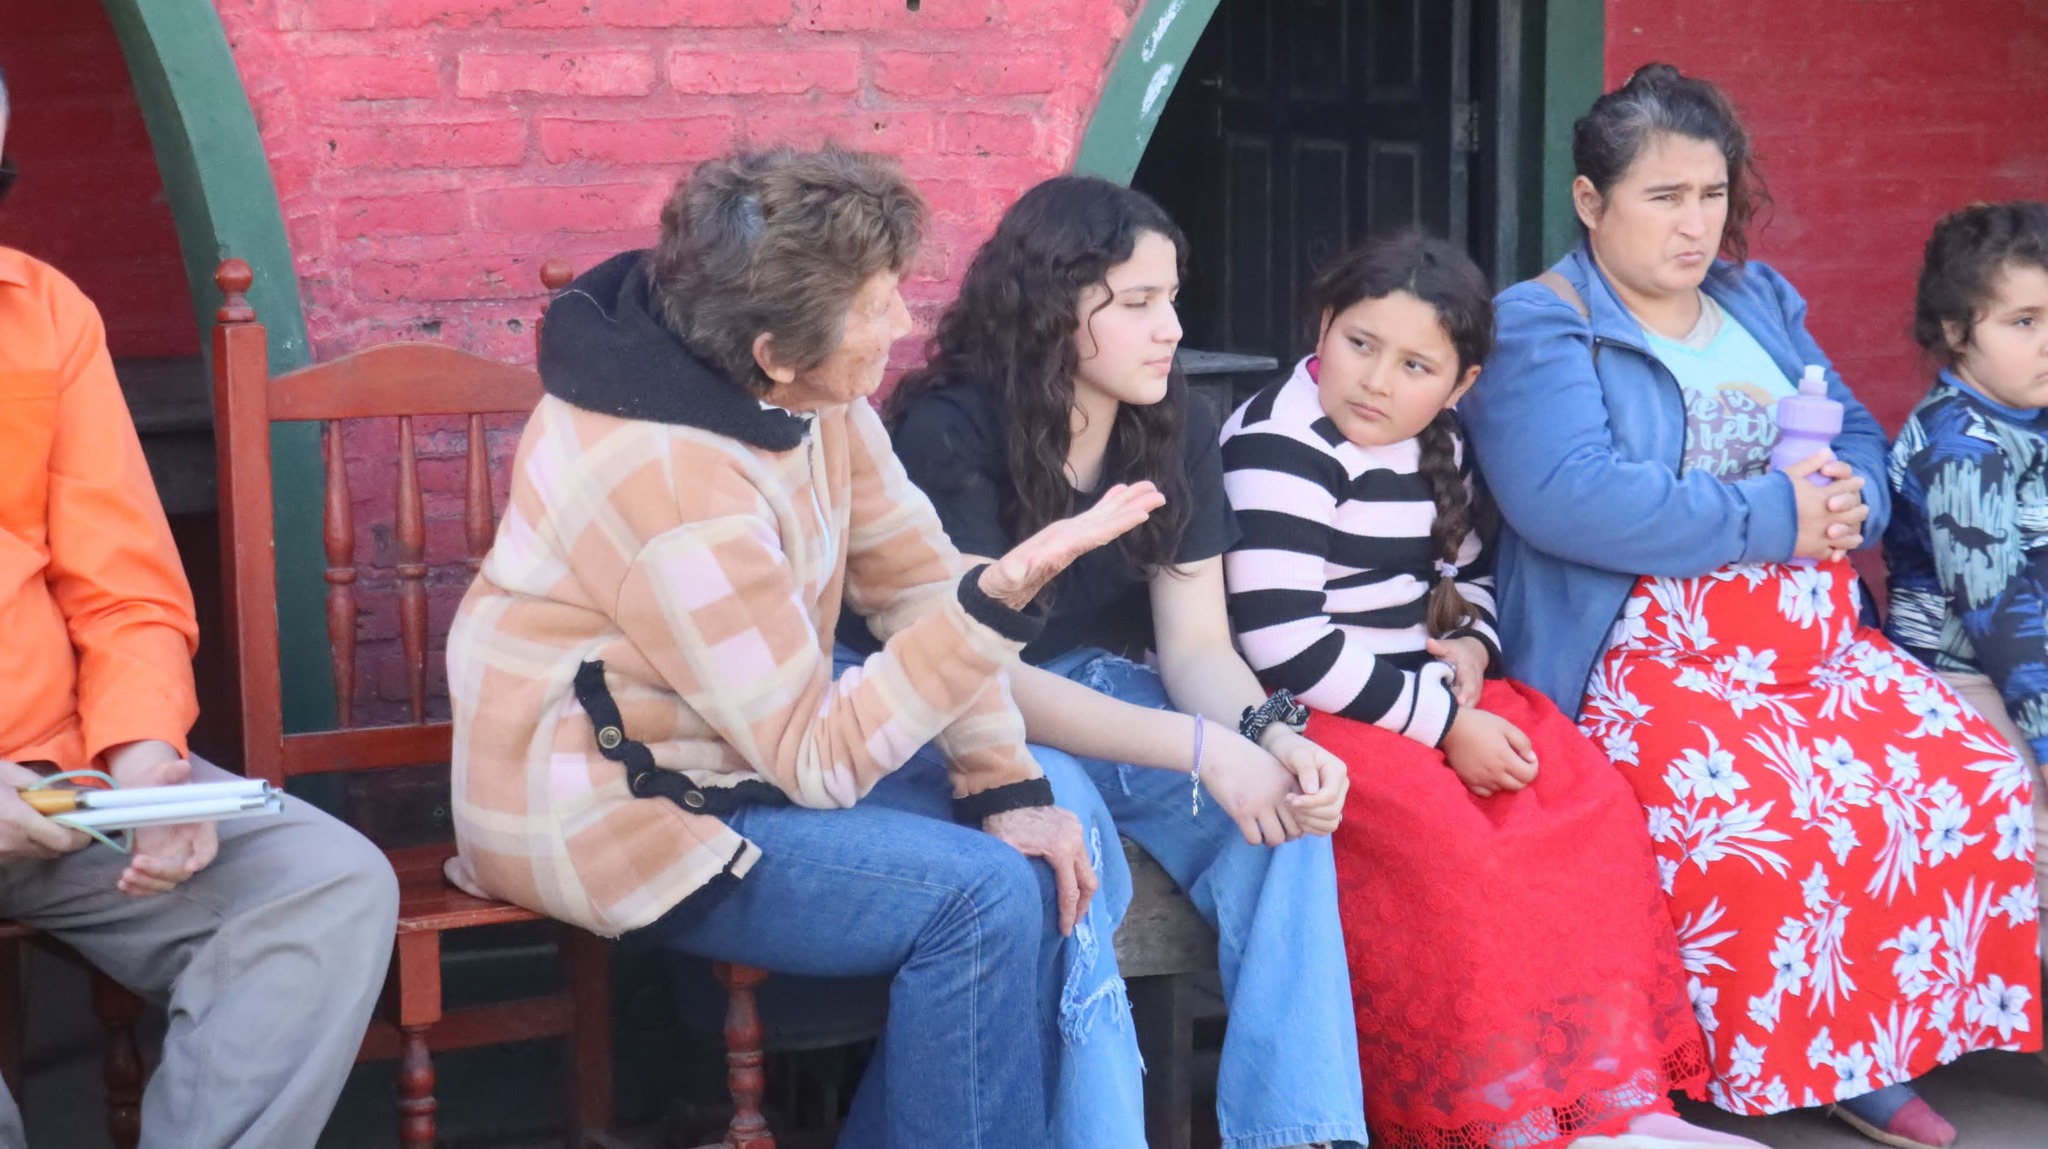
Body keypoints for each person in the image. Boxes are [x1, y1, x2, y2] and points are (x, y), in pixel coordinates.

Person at [445, 146, 1160, 1149]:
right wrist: (993, 606)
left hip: (734, 752)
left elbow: (913, 579)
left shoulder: (804, 394)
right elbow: (819, 757)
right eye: (876, 306)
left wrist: (1000, 781)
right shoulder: (674, 481)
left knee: (1034, 848)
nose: (903, 322)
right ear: (775, 352)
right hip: (611, 808)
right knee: (981, 897)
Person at [1462, 64, 2042, 1149]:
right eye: (1663, 197)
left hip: (1813, 643)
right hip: (1650, 655)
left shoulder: (1754, 299)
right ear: (1590, 200)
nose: (1695, 226)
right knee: (1765, 821)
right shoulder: (1543, 326)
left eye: (1712, 194)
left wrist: (1850, 500)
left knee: (1962, 776)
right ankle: (1769, 1060)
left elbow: (1854, 433)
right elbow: (1568, 496)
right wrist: (1776, 517)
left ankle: (1871, 1044)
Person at [851, 175, 1366, 1149]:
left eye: (1170, 298)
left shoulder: (1173, 423)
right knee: (1068, 838)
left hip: (1100, 692)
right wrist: (1201, 748)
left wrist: (1268, 736)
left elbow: (1197, 647)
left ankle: (1302, 1133)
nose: (1170, 328)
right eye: (1136, 303)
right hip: (954, 728)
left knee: (1287, 821)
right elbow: (977, 678)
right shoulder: (950, 429)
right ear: (1050, 307)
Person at [1221, 231, 1735, 1149]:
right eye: (1360, 343)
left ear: (1461, 386)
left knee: (1586, 806)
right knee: (1458, 848)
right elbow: (1284, 642)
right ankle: (1496, 1109)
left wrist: (1469, 642)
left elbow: (1466, 575)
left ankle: (1600, 1095)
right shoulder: (1280, 443)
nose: (1377, 380)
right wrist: (1447, 726)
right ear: (1323, 326)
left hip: (1418, 692)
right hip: (1309, 713)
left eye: (1415, 366)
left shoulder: (1442, 441)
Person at [0, 67, 399, 1146]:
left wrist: (147, 764)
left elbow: (123, 581)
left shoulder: (42, 310)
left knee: (322, 888)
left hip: (59, 777)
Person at [1884, 200, 2048, 981]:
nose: (2047, 340)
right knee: (2031, 830)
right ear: (1956, 331)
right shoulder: (1961, 448)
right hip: (1965, 680)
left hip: (2030, 666)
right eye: (2023, 321)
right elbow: (2001, 620)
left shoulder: (2031, 412)